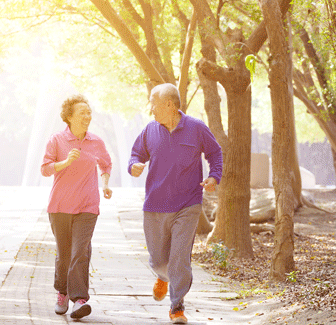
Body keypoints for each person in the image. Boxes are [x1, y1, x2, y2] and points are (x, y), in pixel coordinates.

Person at [128, 83, 223, 324]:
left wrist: (214, 177)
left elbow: (215, 153)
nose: (151, 109)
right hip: (155, 206)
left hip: (187, 204)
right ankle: (163, 275)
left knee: (179, 257)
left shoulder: (196, 128)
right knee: (159, 259)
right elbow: (136, 154)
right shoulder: (150, 130)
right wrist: (134, 166)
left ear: (169, 105)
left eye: (154, 104)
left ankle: (177, 305)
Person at [40, 94, 112, 320]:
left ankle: (79, 300)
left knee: (80, 251)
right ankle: (62, 292)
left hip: (87, 206)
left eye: (89, 112)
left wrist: (106, 184)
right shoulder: (56, 140)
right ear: (69, 117)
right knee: (64, 254)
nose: (87, 116)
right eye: (82, 113)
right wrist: (65, 162)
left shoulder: (96, 142)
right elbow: (45, 168)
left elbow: (106, 164)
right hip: (60, 206)